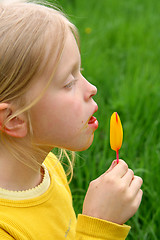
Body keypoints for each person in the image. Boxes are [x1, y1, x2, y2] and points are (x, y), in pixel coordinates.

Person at [0, 1, 143, 239]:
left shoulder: (50, 168)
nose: (93, 89)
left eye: (81, 72)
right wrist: (100, 225)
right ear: (14, 119)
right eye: (68, 82)